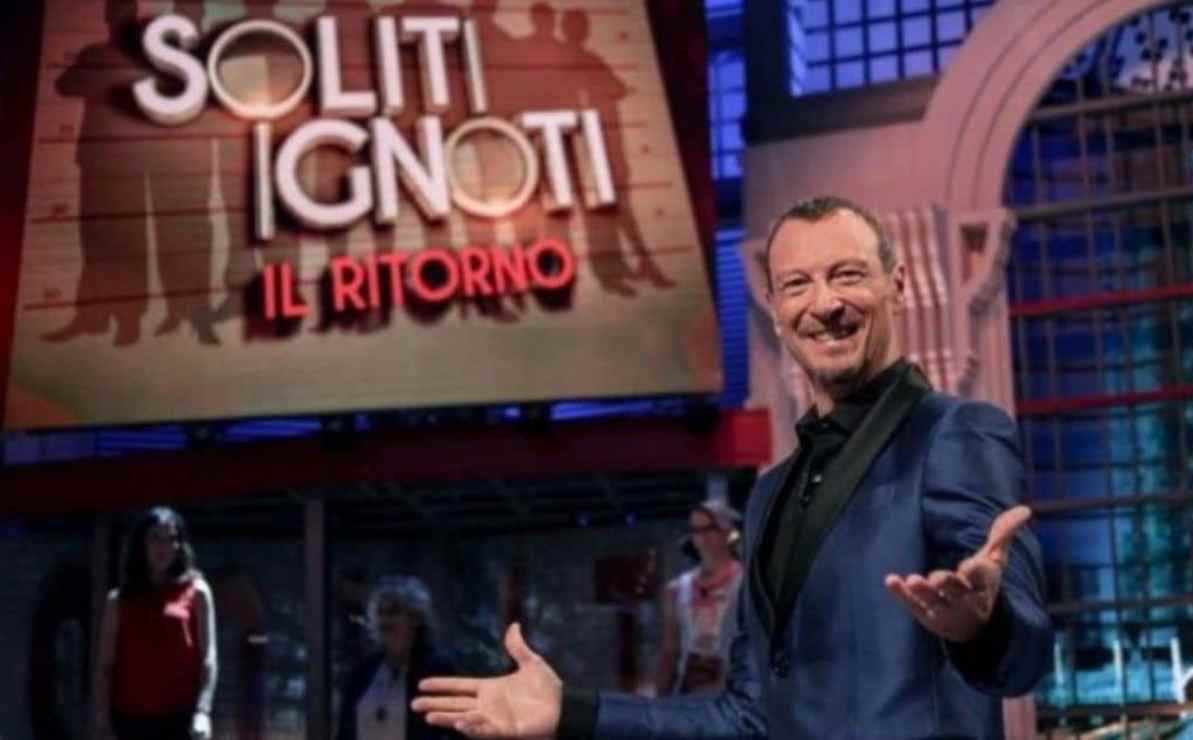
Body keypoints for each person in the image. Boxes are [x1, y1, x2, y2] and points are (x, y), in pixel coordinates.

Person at [412, 195, 1053, 738]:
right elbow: (745, 719)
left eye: (848, 275)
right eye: (797, 285)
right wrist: (572, 713)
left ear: (898, 284)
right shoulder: (771, 494)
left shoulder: (955, 433)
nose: (824, 303)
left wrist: (984, 627)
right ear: (774, 308)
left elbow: (1024, 656)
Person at [94, 507, 217, 740]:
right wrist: (102, 719)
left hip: (181, 719)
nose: (163, 547)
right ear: (142, 544)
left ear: (179, 545)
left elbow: (208, 658)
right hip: (130, 720)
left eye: (171, 539)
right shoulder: (119, 601)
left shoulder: (197, 592)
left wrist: (203, 711)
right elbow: (105, 667)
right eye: (156, 538)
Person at [338, 576, 464, 740]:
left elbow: (456, 731)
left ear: (416, 618)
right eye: (380, 613)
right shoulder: (363, 673)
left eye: (393, 612)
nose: (385, 621)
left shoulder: (437, 671)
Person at [656, 500, 744, 696]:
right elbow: (670, 651)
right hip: (689, 695)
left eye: (709, 528)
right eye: (696, 530)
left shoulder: (745, 584)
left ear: (727, 532)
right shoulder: (678, 588)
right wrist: (660, 700)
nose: (702, 537)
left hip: (733, 695)